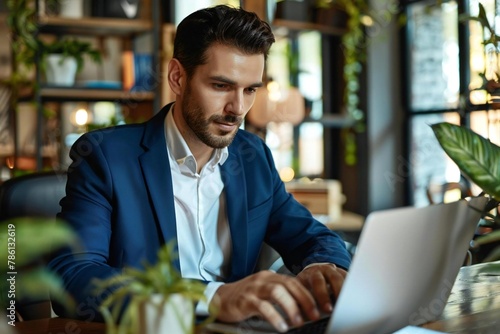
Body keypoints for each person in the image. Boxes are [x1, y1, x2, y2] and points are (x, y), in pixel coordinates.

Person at [48, 4, 351, 333]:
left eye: (250, 89)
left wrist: (324, 268)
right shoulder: (106, 158)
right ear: (178, 77)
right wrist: (213, 298)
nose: (237, 109)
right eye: (221, 86)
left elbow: (311, 236)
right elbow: (74, 277)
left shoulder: (253, 156)